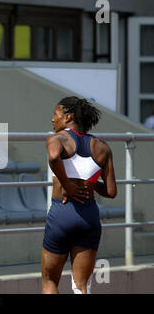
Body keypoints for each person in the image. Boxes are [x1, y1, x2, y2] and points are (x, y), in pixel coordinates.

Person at [41, 96, 117, 294]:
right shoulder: (103, 147)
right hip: (89, 216)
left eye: (55, 115)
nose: (52, 119)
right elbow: (111, 192)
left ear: (67, 117)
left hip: (63, 212)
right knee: (81, 285)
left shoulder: (56, 138)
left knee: (50, 281)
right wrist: (90, 185)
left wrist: (68, 186)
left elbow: (53, 157)